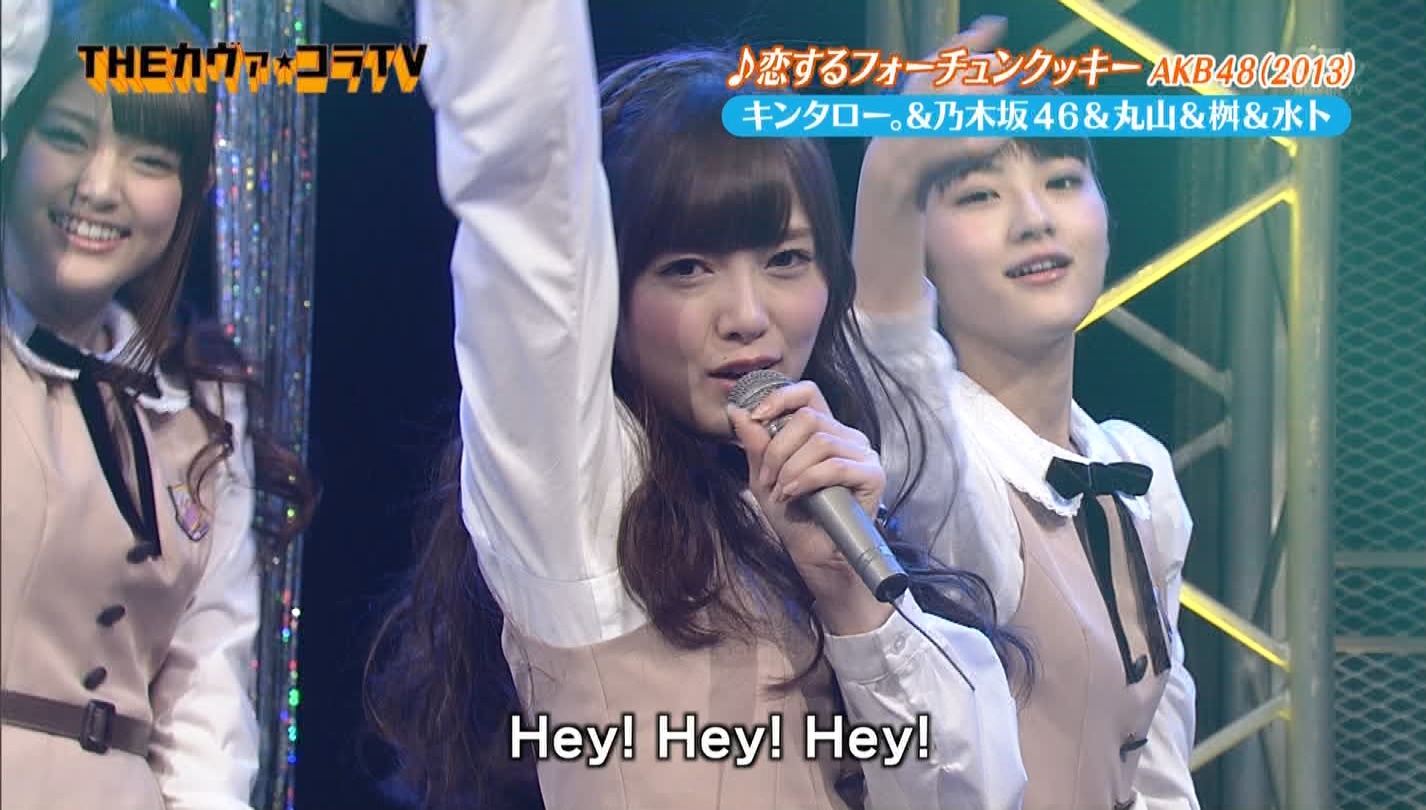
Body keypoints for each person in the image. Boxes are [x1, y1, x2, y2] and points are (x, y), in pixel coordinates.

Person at [365, 2, 1030, 809]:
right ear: (608, 295)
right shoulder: (583, 504)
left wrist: (853, 600)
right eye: (686, 268)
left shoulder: (834, 506)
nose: (748, 314)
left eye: (786, 259)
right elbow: (527, 186)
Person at [849, 22, 1201, 810]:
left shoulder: (1138, 473)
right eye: (980, 194)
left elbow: (1157, 769)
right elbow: (891, 357)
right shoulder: (940, 469)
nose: (1034, 218)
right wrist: (889, 178)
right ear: (920, 252)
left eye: (1064, 180)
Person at [0, 2, 317, 808]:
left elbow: (206, 698)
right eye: (67, 137)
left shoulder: (202, 410)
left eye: (148, 160)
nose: (99, 188)